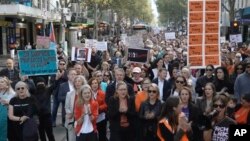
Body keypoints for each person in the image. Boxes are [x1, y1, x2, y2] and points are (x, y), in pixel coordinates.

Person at [65, 75, 87, 141]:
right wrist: (70, 113)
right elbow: (66, 107)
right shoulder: (69, 94)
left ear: (83, 83)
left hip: (84, 119)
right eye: (76, 81)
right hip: (72, 120)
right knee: (72, 138)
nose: (77, 83)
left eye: (79, 81)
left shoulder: (86, 93)